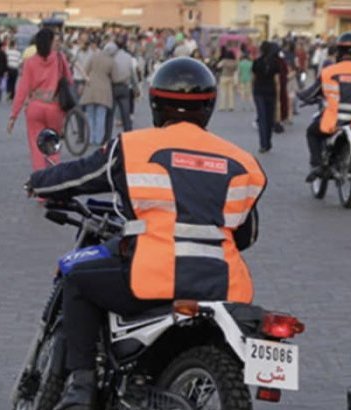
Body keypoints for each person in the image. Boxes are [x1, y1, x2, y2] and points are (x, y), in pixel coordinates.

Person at [25, 57, 267, 410]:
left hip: (153, 275)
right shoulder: (241, 160)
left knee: (78, 281)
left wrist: (38, 182)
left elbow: (76, 176)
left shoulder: (134, 146)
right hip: (223, 283)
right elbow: (246, 234)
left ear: (155, 103)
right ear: (210, 106)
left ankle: (80, 388)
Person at [298, 32, 351, 182]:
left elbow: (312, 92)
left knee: (311, 133)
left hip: (333, 121)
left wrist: (301, 96)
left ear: (339, 51)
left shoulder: (329, 72)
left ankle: (317, 165)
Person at [8, 28, 73, 171]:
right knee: (52, 147)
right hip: (54, 107)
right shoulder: (60, 58)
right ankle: (54, 182)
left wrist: (13, 115)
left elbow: (22, 89)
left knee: (36, 148)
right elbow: (69, 80)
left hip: (35, 107)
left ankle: (41, 186)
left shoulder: (30, 62)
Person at [80, 41, 115, 146]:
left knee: (90, 115)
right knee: (101, 116)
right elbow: (114, 77)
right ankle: (99, 139)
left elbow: (85, 69)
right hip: (104, 90)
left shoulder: (93, 56)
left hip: (90, 88)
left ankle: (90, 138)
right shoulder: (111, 61)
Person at [252, 41, 280, 153]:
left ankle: (263, 144)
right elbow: (276, 81)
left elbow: (253, 79)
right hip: (271, 92)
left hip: (259, 91)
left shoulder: (257, 62)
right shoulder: (275, 63)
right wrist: (278, 95)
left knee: (262, 117)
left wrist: (252, 91)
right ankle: (268, 142)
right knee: (269, 118)